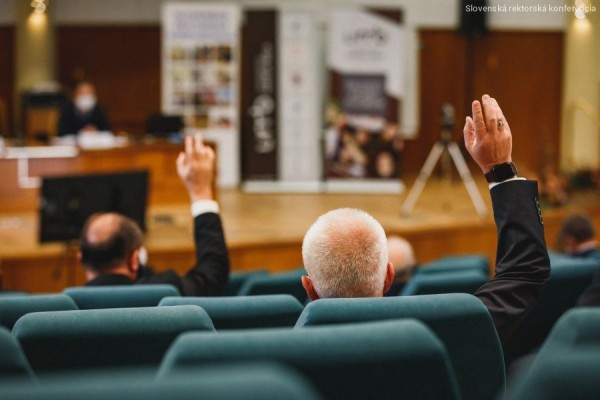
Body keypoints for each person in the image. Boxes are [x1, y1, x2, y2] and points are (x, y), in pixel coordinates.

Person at [301, 94, 551, 346]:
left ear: (309, 288)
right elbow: (524, 273)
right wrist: (500, 167)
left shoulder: (279, 355)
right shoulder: (438, 337)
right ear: (389, 277)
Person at [79, 134, 230, 296]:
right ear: (135, 260)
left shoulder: (68, 307)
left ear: (81, 258)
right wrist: (201, 192)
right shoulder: (167, 291)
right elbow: (214, 271)